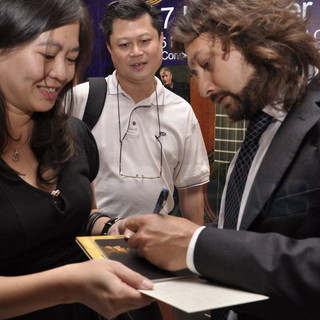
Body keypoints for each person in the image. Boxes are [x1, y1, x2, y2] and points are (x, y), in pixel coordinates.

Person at [124, 0, 320, 319]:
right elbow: (248, 226)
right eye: (195, 74)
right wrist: (168, 242)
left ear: (253, 39)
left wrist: (197, 245)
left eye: (207, 64)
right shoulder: (261, 123)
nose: (203, 89)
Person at [0, 0, 154, 319]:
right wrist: (68, 285)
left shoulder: (73, 134)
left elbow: (79, 213)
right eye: (47, 56)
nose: (62, 73)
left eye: (71, 59)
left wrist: (114, 229)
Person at [72, 0, 210, 230]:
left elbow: (192, 191)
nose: (136, 52)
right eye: (124, 44)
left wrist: (191, 253)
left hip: (154, 247)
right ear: (109, 48)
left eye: (145, 41)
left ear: (161, 41)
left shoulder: (181, 112)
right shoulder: (81, 99)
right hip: (86, 243)